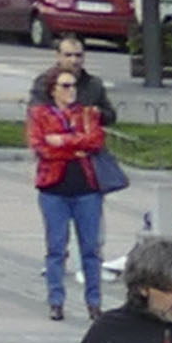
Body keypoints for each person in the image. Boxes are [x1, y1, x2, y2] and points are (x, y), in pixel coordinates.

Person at [24, 62, 127, 321]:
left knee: (90, 249)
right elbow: (41, 147)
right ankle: (56, 301)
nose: (71, 91)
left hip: (87, 189)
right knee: (56, 248)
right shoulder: (39, 114)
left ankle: (94, 302)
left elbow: (95, 142)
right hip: (53, 189)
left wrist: (62, 141)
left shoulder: (87, 114)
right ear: (53, 90)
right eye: (65, 86)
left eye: (74, 86)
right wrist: (75, 147)